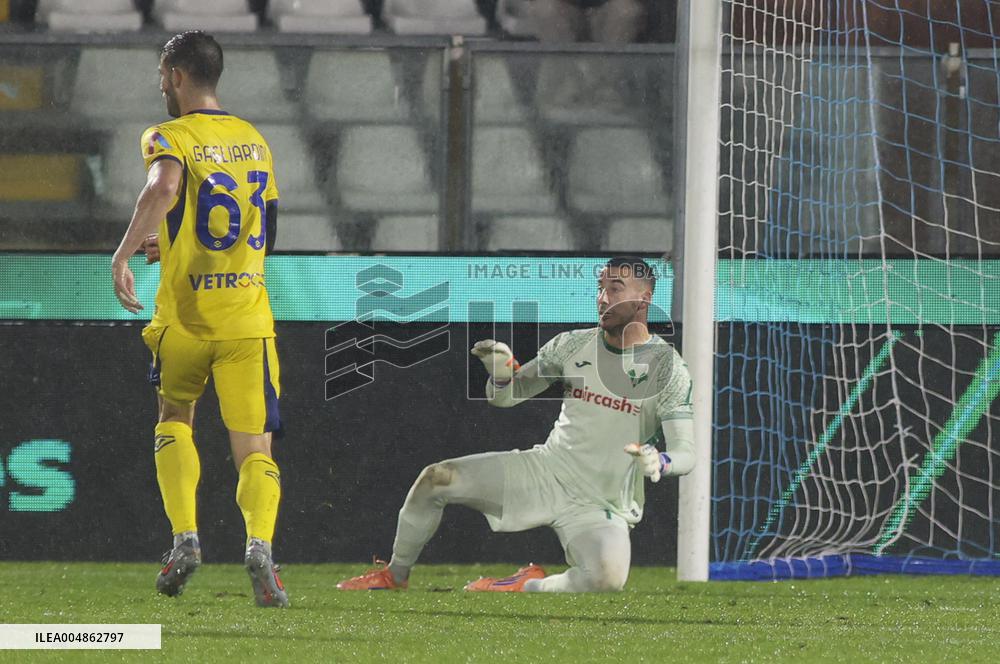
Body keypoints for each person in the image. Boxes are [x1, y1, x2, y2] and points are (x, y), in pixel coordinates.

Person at [336, 256, 695, 592]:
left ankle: (527, 584)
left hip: (600, 503)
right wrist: (500, 373)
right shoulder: (572, 345)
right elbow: (507, 396)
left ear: (645, 297)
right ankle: (395, 575)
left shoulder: (666, 367)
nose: (603, 298)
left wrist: (661, 461)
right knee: (435, 479)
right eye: (600, 287)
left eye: (615, 288)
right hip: (546, 471)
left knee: (607, 580)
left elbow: (687, 454)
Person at [110, 30, 288, 608]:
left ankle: (185, 539)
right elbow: (261, 231)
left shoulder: (169, 136)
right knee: (255, 448)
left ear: (178, 76)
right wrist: (174, 238)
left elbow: (164, 187)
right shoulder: (255, 140)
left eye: (164, 75)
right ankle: (259, 547)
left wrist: (126, 250)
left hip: (184, 321)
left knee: (174, 417)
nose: (161, 85)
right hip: (245, 323)